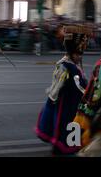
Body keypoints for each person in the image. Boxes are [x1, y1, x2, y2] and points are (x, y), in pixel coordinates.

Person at [35, 25, 92, 156]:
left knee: (68, 133)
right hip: (66, 107)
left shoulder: (73, 65)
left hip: (75, 106)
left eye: (80, 54)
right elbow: (59, 87)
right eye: (78, 54)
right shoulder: (65, 66)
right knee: (64, 133)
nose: (79, 57)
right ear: (71, 53)